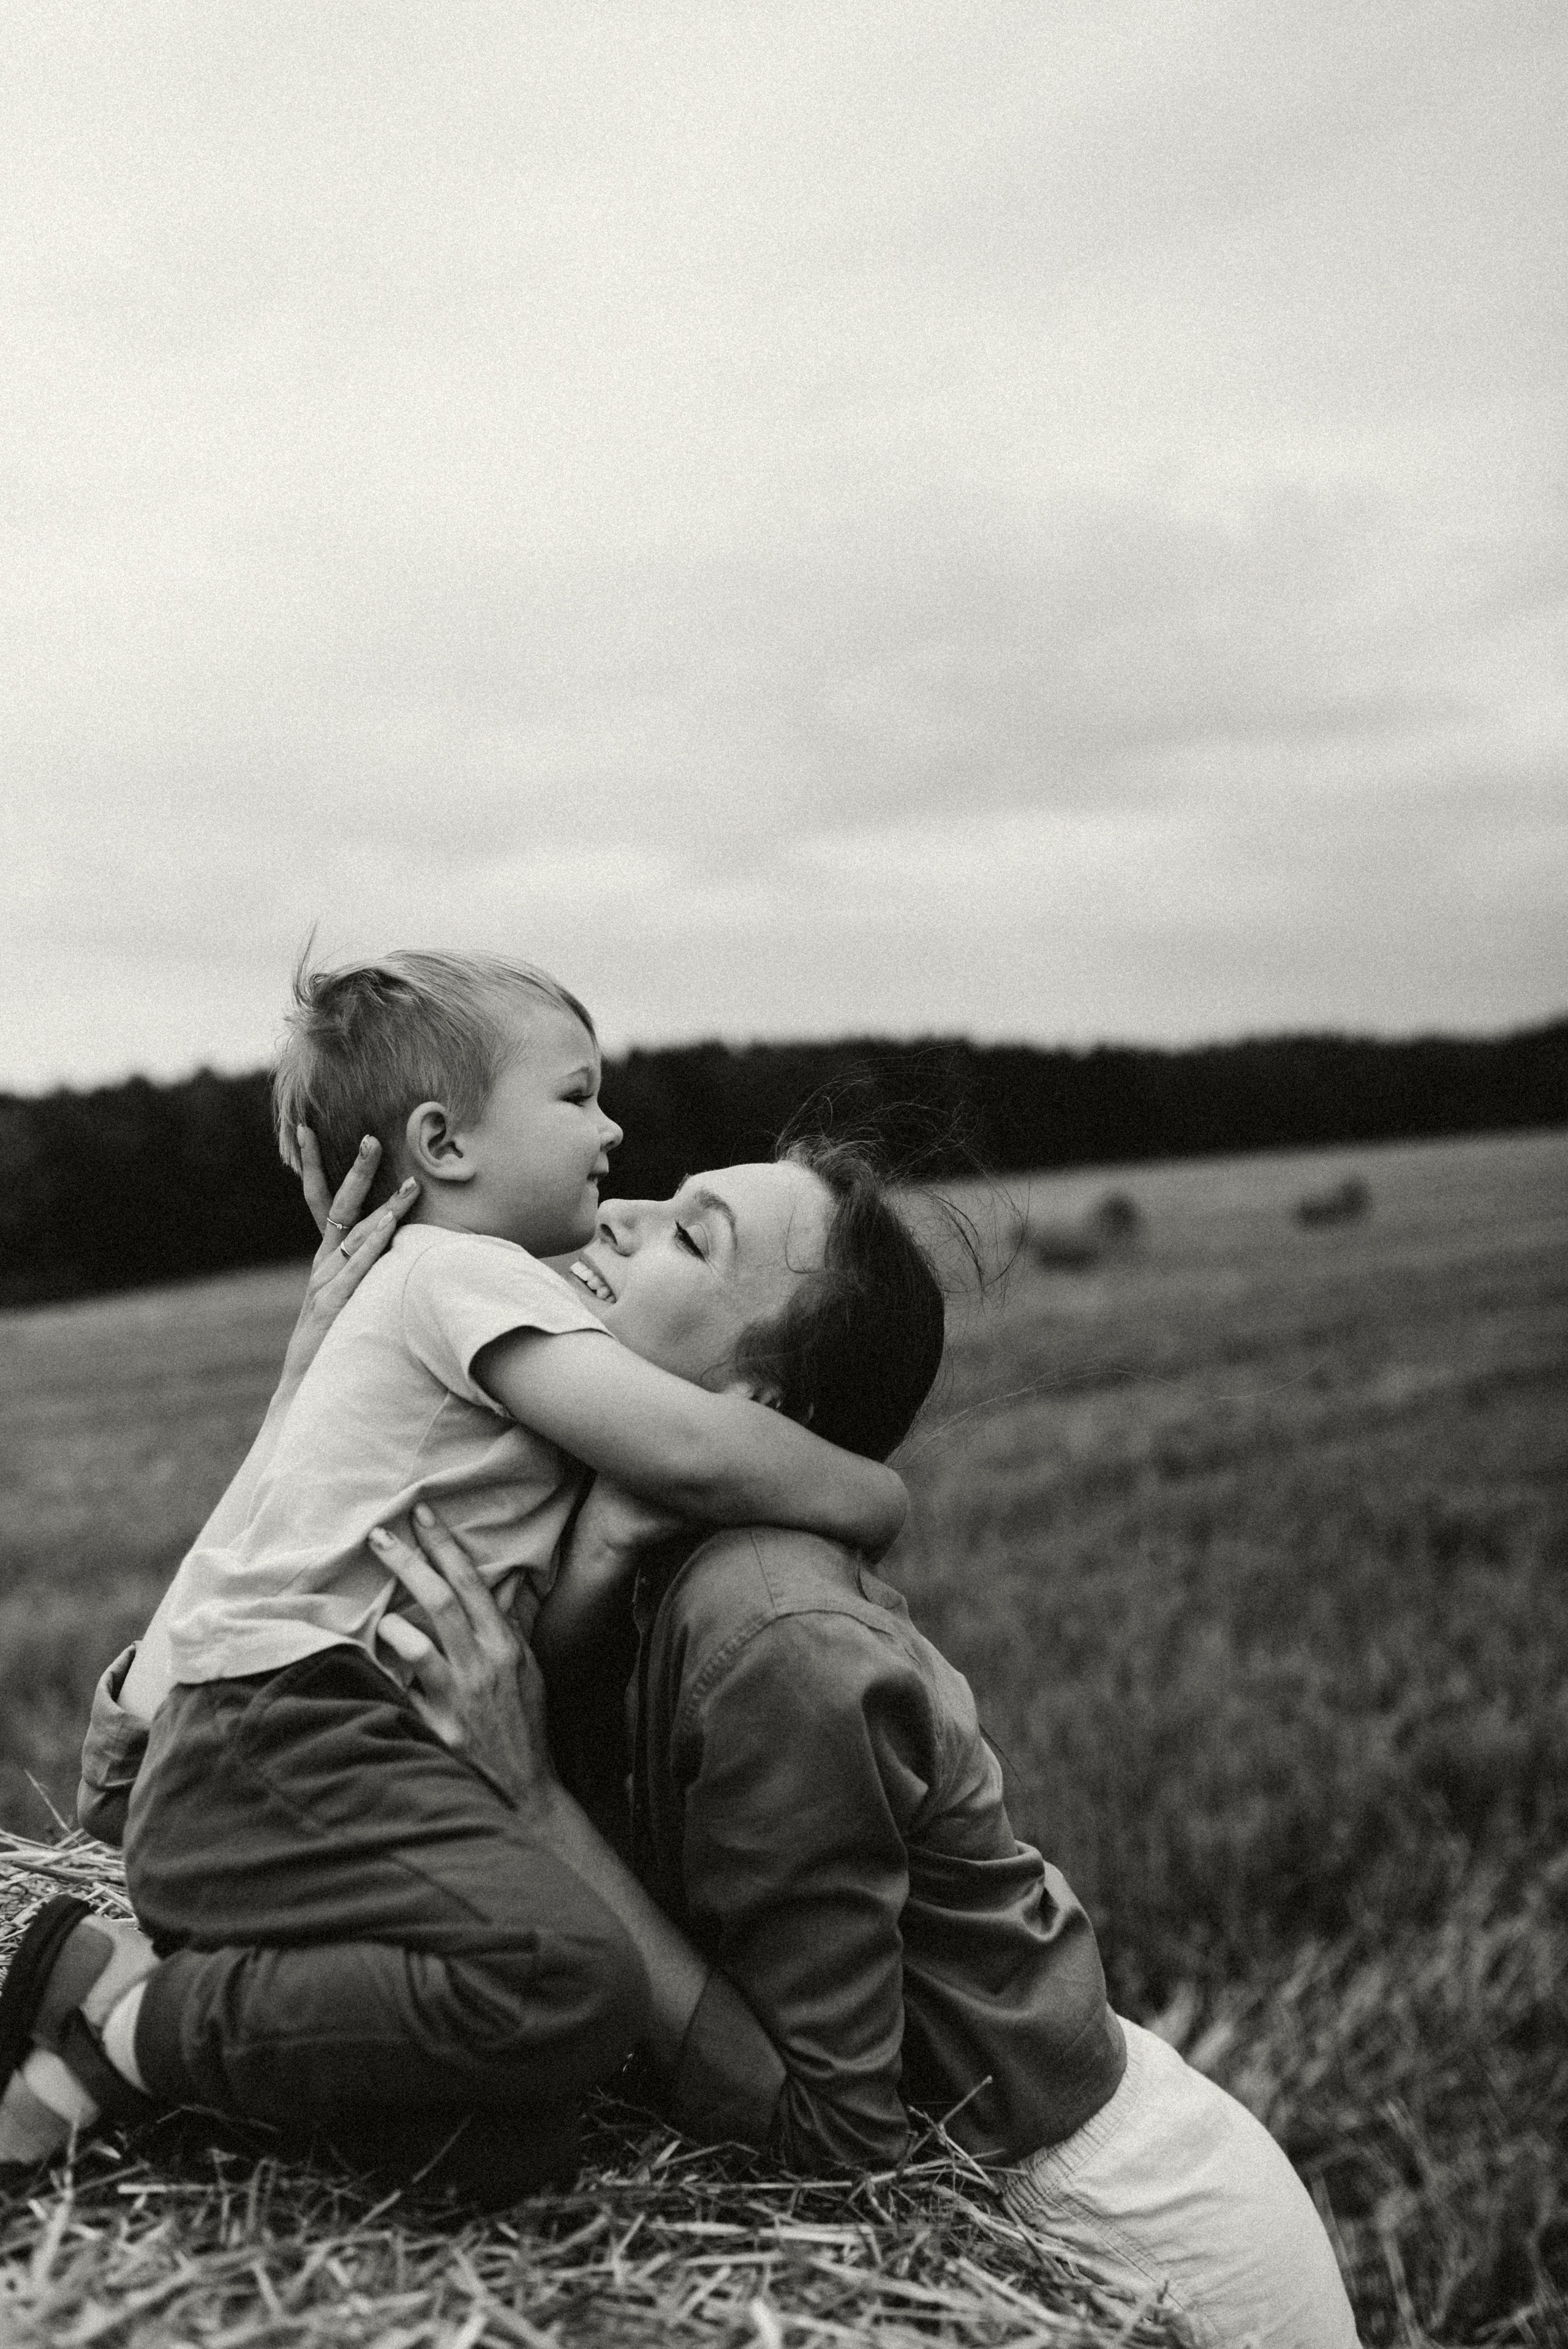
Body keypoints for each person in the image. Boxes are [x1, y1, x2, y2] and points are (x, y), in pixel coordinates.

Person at [7, 1117, 1360, 2345]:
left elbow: (847, 2147)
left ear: (751, 1411)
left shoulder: (770, 1637)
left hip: (1122, 2245)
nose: (614, 1213)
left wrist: (533, 1801)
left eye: (688, 1232)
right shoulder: (525, 1529)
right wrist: (309, 1394)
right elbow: (158, 1816)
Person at [0, 949, 903, 2189]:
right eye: (578, 1095)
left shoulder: (477, 1290)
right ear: (446, 1141)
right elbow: (697, 1450)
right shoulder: (457, 1275)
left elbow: (546, 1619)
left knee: (508, 2134)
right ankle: (126, 2015)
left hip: (324, 1743)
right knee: (568, 1976)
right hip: (291, 1730)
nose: (615, 1128)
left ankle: (156, 2041)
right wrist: (875, 1490)